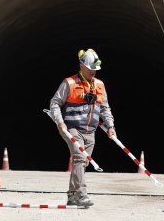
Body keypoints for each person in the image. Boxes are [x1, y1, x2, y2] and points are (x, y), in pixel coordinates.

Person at [50, 48, 116, 207]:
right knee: (80, 158)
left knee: (82, 162)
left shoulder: (100, 85)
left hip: (90, 130)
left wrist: (110, 126)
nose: (93, 71)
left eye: (95, 69)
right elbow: (55, 103)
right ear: (81, 66)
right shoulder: (69, 83)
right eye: (90, 68)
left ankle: (72, 196)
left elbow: (105, 108)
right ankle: (82, 194)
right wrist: (59, 121)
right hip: (71, 127)